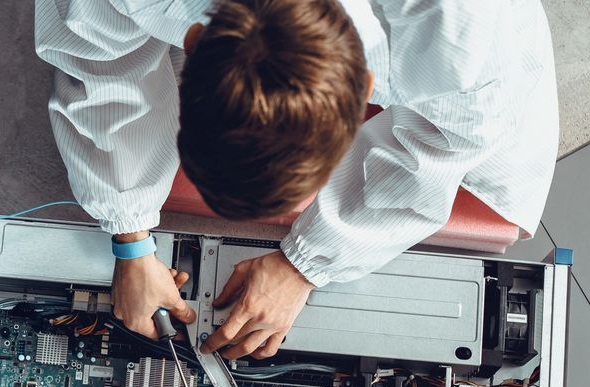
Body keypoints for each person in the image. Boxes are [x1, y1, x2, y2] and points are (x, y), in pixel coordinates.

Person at [35, 0, 558, 359]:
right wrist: (129, 236)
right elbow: (97, 63)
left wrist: (306, 263)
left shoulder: (463, 37)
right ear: (195, 43)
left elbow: (446, 143)